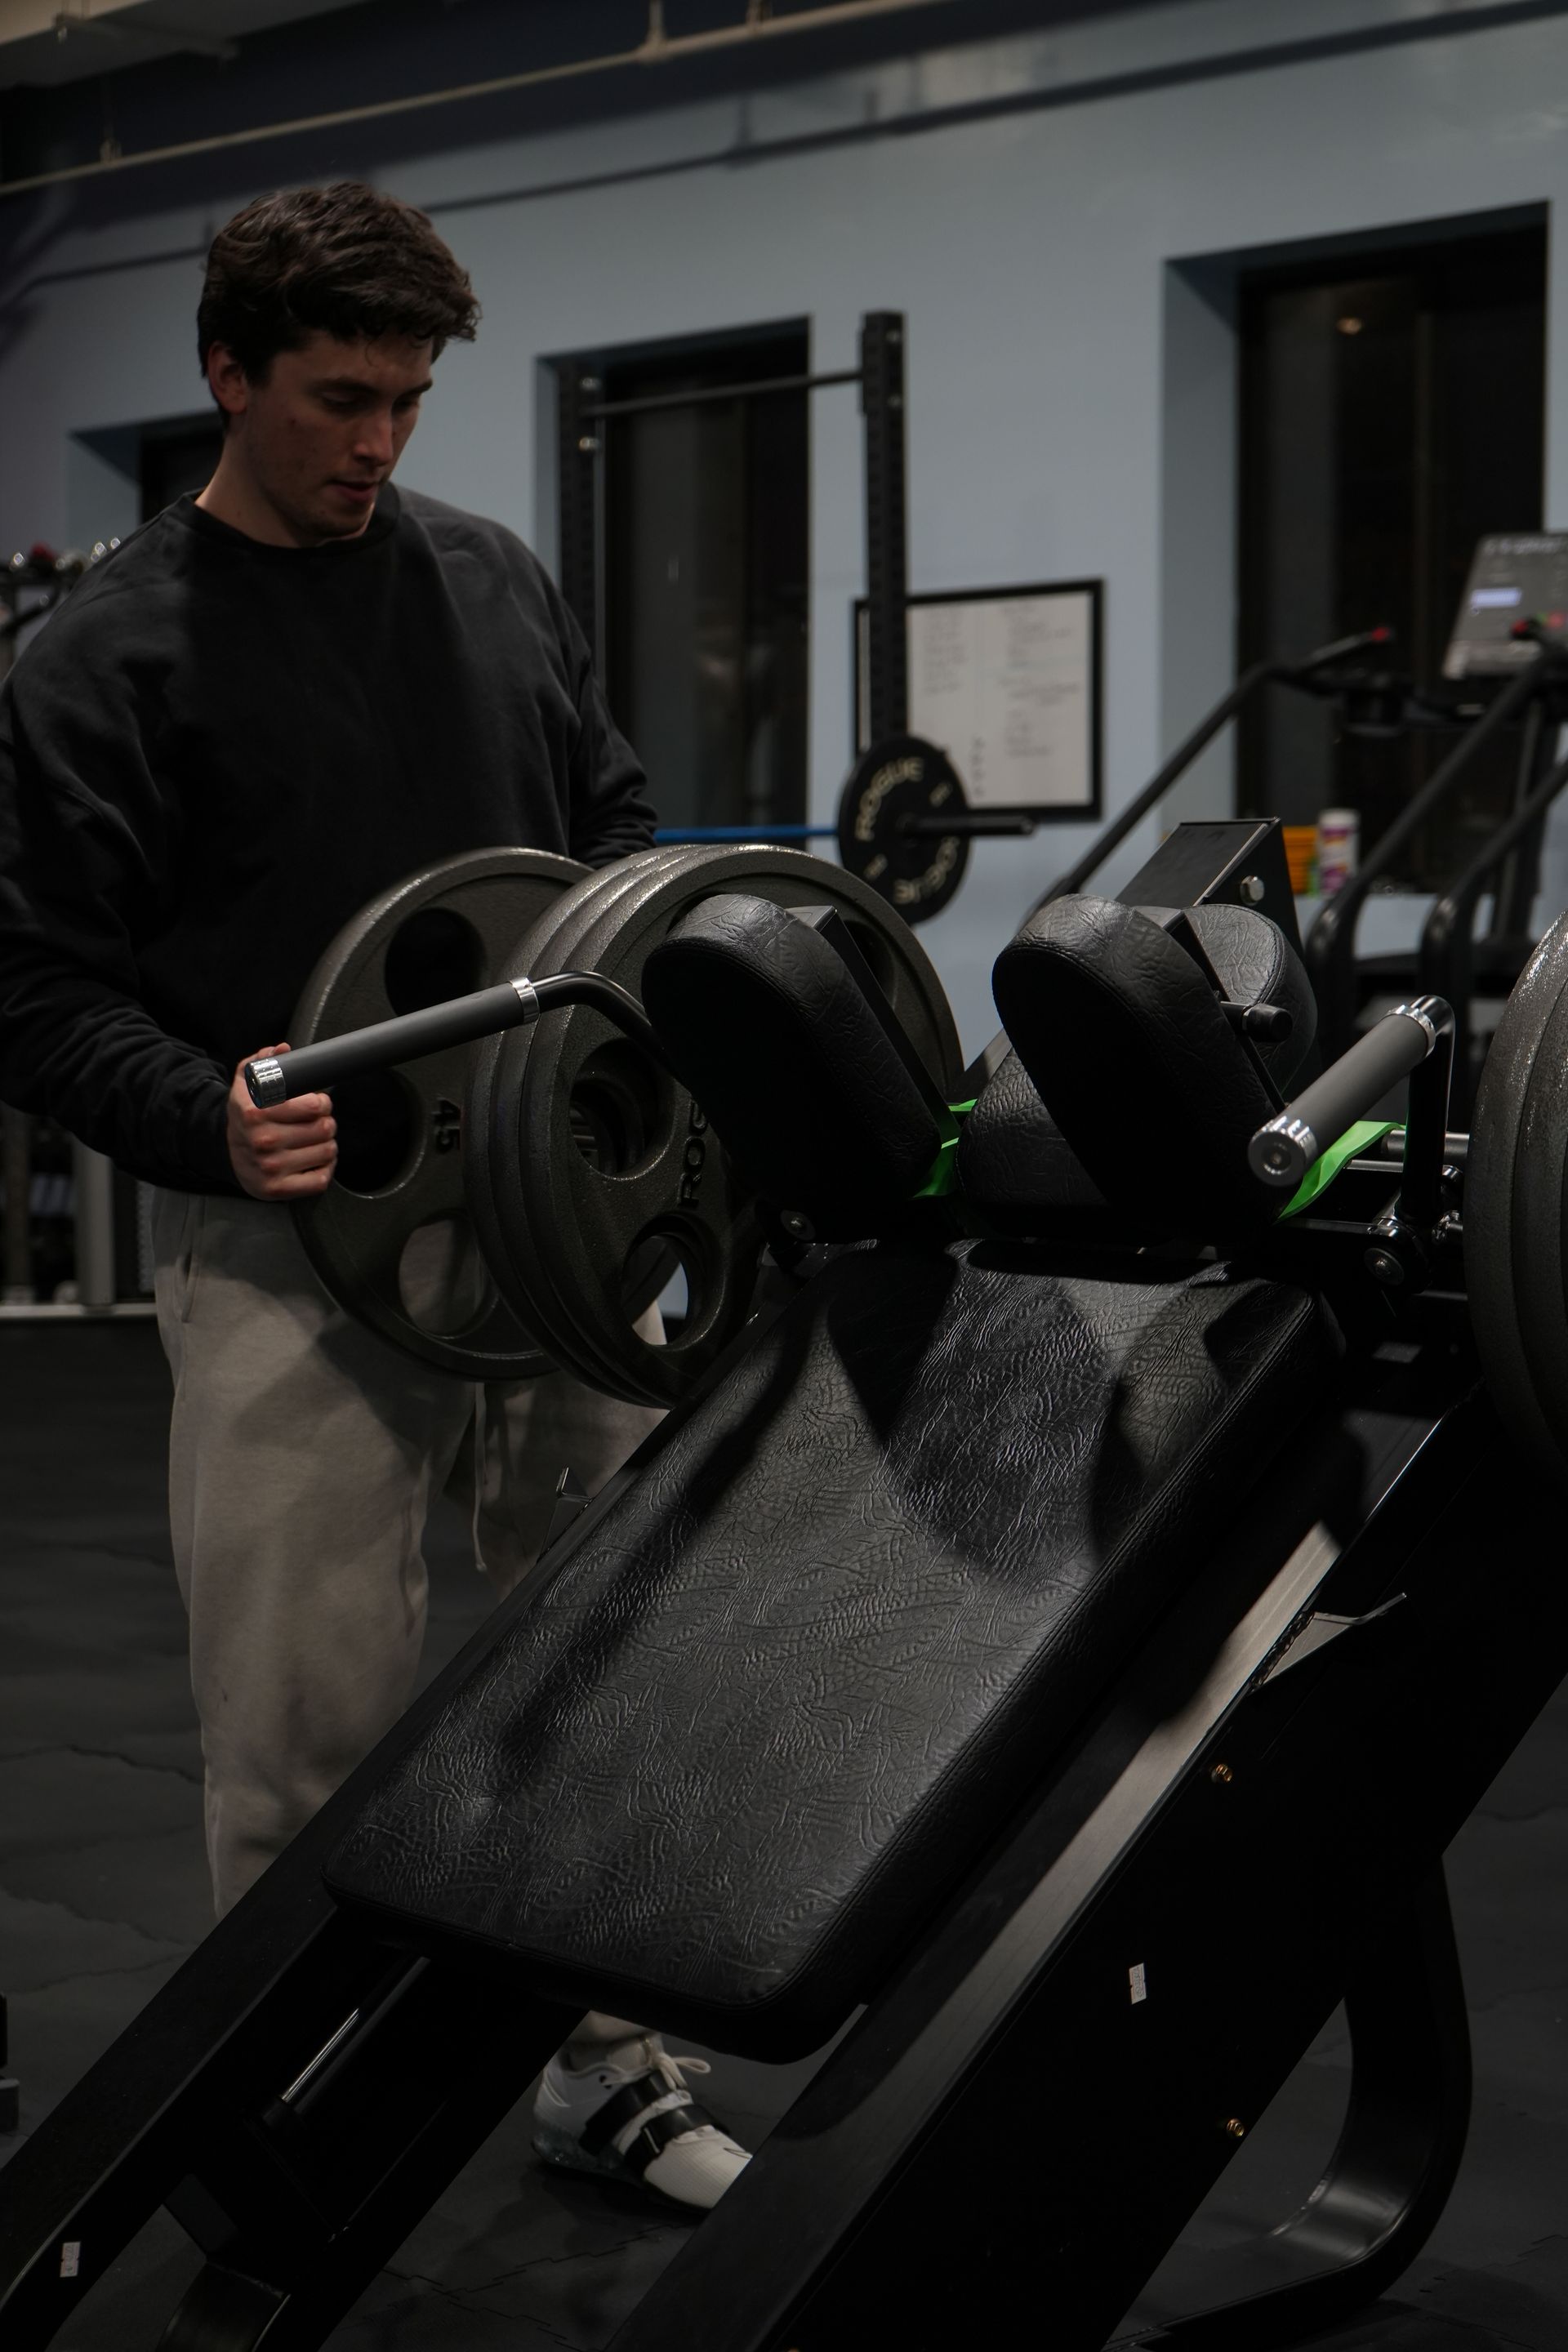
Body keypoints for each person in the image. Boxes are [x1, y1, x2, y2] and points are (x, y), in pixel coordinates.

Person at [0, 181, 749, 2212]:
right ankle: (297, 2101)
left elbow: (607, 839)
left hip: (548, 1213)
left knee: (598, 1657)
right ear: (225, 373)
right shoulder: (106, 657)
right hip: (290, 1239)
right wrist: (201, 1112)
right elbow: (39, 981)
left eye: (411, 399)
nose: (379, 443)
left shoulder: (493, 584)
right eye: (339, 397)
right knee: (302, 1727)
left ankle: (600, 2070)